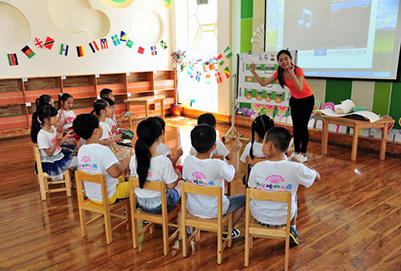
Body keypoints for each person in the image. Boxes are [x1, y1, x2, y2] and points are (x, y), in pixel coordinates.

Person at [247, 127, 320, 245]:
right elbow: (317, 177)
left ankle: (253, 231)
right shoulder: (296, 168)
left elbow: (251, 189)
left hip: (259, 217)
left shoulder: (256, 168)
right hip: (283, 219)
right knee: (293, 195)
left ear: (269, 146)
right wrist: (300, 164)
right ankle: (292, 228)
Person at [249, 49, 315, 162]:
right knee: (296, 126)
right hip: (295, 100)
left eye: (286, 59)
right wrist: (252, 71)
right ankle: (296, 151)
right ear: (278, 62)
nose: (284, 62)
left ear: (290, 59)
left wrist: (292, 73)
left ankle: (303, 153)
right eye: (281, 60)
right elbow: (263, 83)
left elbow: (300, 88)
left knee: (303, 126)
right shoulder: (279, 72)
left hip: (307, 99)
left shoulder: (298, 70)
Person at [183, 124, 244, 239]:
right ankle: (227, 231)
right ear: (214, 146)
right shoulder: (217, 164)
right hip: (214, 210)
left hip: (193, 208)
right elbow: (233, 173)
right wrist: (235, 151)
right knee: (243, 200)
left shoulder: (187, 161)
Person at [73, 114, 131, 204]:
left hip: (92, 195)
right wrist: (126, 161)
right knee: (137, 184)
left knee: (121, 179)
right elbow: (115, 173)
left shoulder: (82, 150)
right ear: (96, 131)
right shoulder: (103, 150)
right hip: (108, 196)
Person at [130, 118, 183, 214]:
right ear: (159, 138)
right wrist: (177, 176)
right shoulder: (163, 161)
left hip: (141, 203)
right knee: (182, 184)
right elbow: (171, 185)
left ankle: (151, 220)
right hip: (160, 205)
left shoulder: (133, 159)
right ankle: (185, 221)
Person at [31, 104, 76, 181]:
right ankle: (76, 180)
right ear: (46, 120)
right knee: (80, 162)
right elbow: (49, 153)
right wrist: (56, 141)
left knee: (77, 157)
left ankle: (73, 178)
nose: (57, 119)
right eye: (54, 117)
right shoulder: (42, 134)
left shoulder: (52, 128)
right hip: (52, 162)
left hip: (58, 156)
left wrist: (67, 136)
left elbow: (59, 144)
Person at [240, 114, 274, 185]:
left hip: (254, 182)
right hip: (272, 180)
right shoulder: (276, 146)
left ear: (255, 131)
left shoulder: (250, 146)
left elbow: (245, 163)